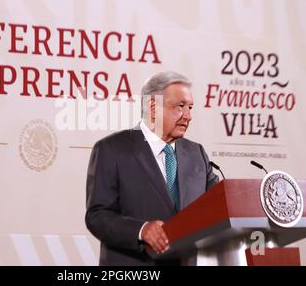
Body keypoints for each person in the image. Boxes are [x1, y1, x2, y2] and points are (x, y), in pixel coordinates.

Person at [85, 71, 219, 265]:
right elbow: (97, 216)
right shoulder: (112, 149)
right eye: (180, 106)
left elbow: (219, 202)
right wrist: (141, 230)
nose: (188, 116)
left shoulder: (196, 153)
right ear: (153, 106)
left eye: (190, 107)